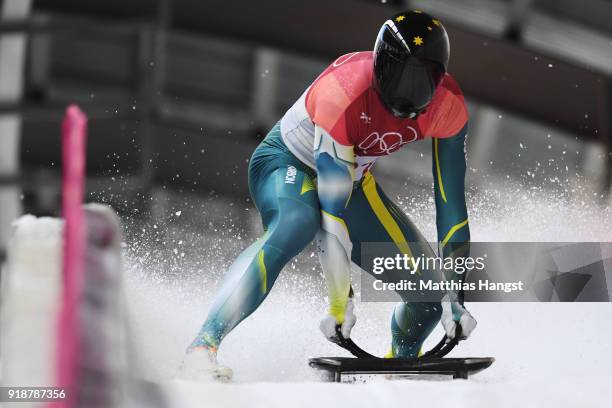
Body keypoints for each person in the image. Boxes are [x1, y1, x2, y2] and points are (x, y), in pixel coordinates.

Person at [181, 10, 476, 381]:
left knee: (430, 300)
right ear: (379, 66)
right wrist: (340, 301)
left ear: (440, 80)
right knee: (297, 223)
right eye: (398, 77)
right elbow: (330, 212)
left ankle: (400, 366)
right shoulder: (345, 89)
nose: (406, 95)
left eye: (421, 83)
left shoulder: (449, 106)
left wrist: (456, 299)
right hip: (287, 163)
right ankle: (202, 347)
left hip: (352, 179)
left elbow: (451, 210)